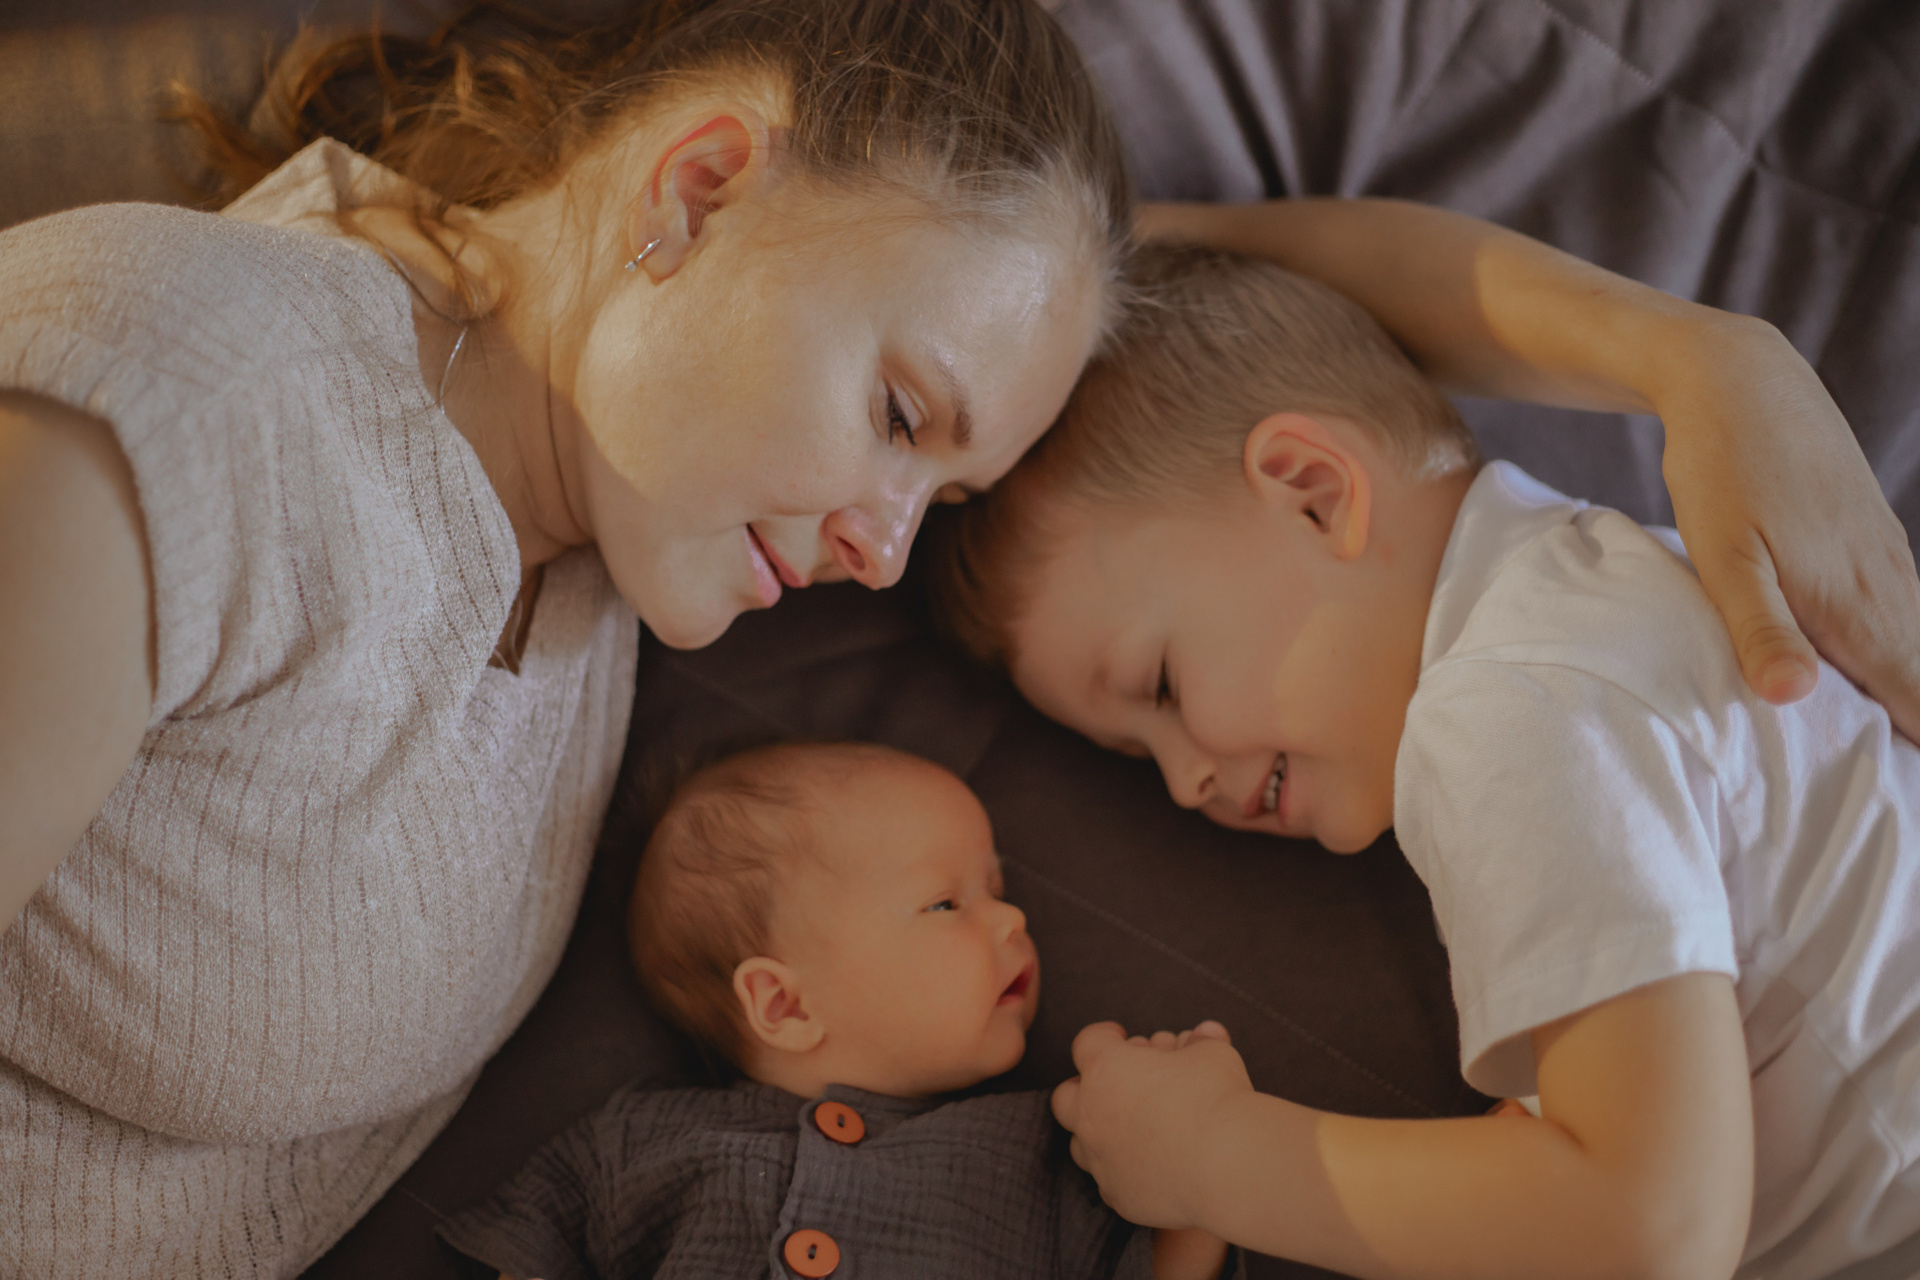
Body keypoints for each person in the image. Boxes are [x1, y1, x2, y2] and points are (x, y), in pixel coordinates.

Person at [0, 0, 1915, 1275]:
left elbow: (1241, 287)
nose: (877, 548)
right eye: (905, 416)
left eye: (943, 482)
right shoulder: (181, 408)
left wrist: (1696, 357)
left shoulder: (605, 482)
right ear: (702, 186)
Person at [929, 242, 1920, 1280]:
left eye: (1162, 685)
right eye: (1139, 757)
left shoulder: (1510, 702)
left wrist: (1210, 1157)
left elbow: (1649, 1228)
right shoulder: (1610, 586)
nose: (1185, 783)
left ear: (1314, 491)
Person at [438, 741, 1239, 1280]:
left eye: (996, 890)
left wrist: (1197, 1171)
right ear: (784, 1004)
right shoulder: (643, 1143)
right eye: (945, 903)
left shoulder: (1043, 1150)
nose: (1011, 919)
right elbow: (536, 1229)